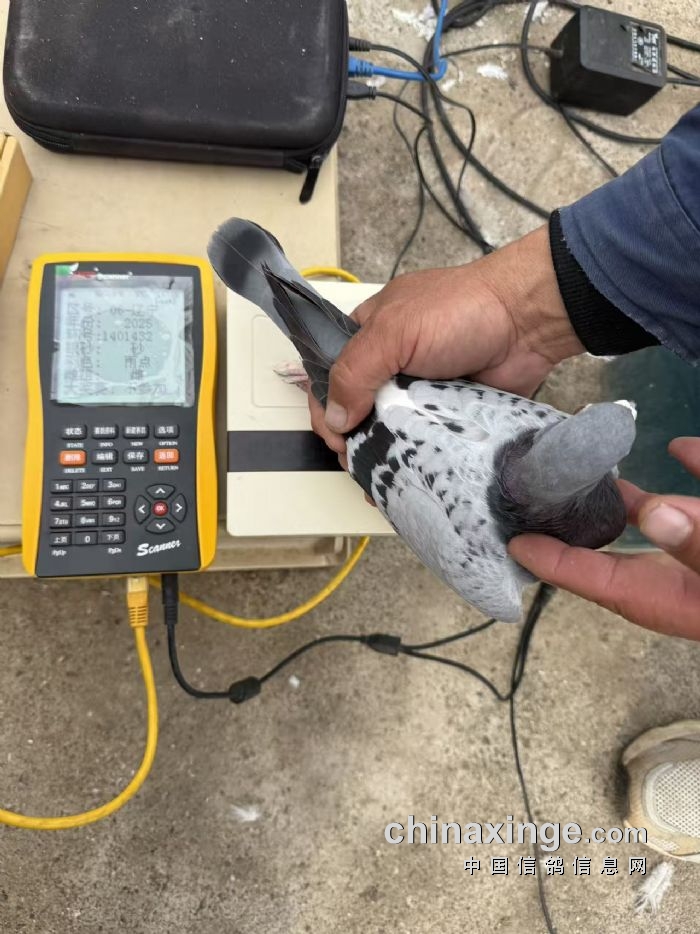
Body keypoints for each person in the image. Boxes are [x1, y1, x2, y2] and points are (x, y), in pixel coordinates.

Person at [309, 104, 700, 862]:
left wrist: (529, 306)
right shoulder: (501, 545)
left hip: (418, 429)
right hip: (399, 426)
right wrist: (523, 304)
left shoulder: (524, 495)